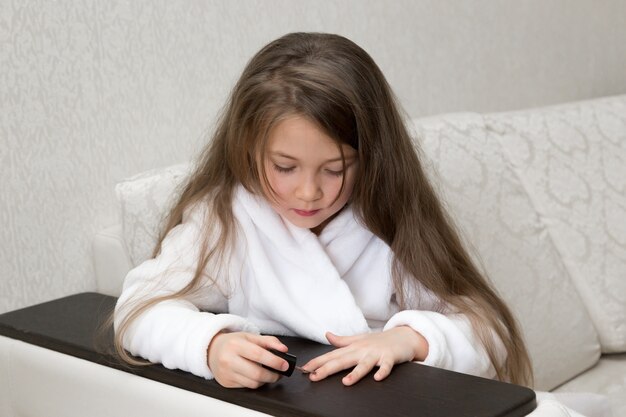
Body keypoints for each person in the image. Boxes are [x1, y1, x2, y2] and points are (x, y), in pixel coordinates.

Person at [113, 32, 533, 390]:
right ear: (246, 147)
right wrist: (209, 345)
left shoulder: (387, 216)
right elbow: (139, 309)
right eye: (284, 167)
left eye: (335, 169)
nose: (309, 192)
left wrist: (412, 339)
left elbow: (488, 330)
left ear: (370, 158)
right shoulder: (226, 220)